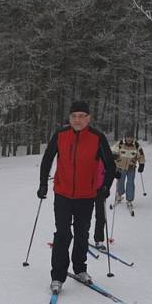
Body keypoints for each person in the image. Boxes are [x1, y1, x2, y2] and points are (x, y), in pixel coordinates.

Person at [38, 101, 116, 293]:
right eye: (74, 116)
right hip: (63, 193)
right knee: (62, 234)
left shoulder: (97, 137)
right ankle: (57, 276)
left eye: (81, 116)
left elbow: (110, 166)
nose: (77, 120)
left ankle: (80, 269)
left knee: (82, 234)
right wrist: (43, 184)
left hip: (86, 195)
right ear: (69, 118)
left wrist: (105, 186)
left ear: (88, 118)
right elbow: (47, 159)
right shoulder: (60, 135)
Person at [112, 129, 145, 215]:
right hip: (120, 167)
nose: (129, 139)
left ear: (133, 138)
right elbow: (113, 150)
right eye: (128, 137)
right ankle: (119, 195)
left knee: (130, 183)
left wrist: (141, 164)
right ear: (125, 137)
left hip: (131, 168)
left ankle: (129, 200)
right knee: (120, 182)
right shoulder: (120, 144)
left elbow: (141, 155)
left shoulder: (137, 145)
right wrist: (114, 155)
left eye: (131, 138)